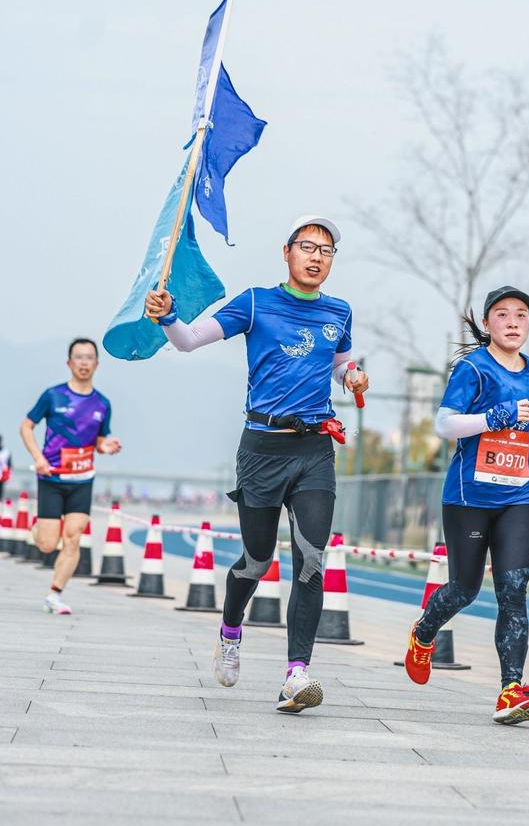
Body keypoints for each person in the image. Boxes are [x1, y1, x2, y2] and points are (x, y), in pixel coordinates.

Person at [145, 215, 368, 713]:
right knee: (258, 559)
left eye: (326, 250)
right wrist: (167, 316)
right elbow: (187, 340)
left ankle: (296, 674)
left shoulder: (339, 311)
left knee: (312, 559)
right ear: (286, 252)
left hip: (314, 451)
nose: (316, 257)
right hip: (262, 450)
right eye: (307, 246)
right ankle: (229, 630)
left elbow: (339, 365)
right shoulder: (255, 302)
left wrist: (353, 377)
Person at [404, 286, 529, 725]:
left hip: (518, 497)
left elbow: (528, 409)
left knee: (514, 593)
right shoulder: (472, 369)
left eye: (521, 315)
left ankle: (511, 691)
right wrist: (493, 417)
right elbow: (445, 424)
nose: (513, 322)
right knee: (465, 588)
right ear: (487, 324)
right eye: (503, 315)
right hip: (468, 499)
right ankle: (424, 633)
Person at [20, 338, 122, 614]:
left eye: (89, 358)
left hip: (82, 480)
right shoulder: (53, 396)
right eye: (79, 357)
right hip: (52, 479)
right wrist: (38, 459)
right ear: (69, 363)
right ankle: (37, 529)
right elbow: (26, 427)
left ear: (97, 364)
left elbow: (100, 440)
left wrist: (107, 445)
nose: (84, 362)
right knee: (47, 544)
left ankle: (55, 595)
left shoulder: (102, 403)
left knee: (74, 537)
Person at [0, 436, 12, 501]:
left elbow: (9, 464)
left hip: (3, 473)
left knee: (1, 489)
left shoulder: (6, 452)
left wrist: (8, 474)